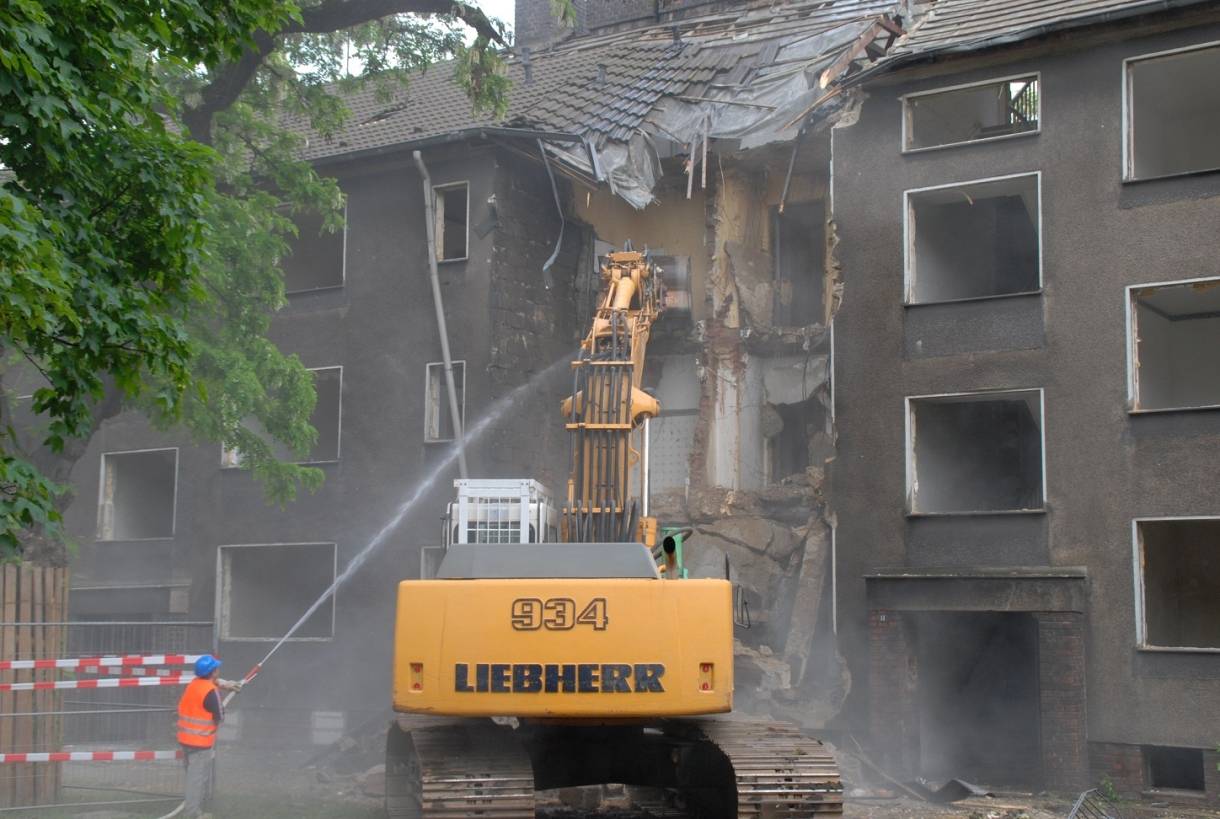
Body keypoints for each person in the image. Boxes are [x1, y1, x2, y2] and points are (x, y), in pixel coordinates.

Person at [176, 655, 241, 818]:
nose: (218, 670)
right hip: (200, 743)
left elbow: (211, 683)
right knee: (196, 782)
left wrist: (228, 685)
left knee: (193, 779)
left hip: (186, 741)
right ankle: (192, 815)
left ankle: (194, 811)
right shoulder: (211, 692)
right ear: (213, 672)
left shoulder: (194, 684)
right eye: (216, 668)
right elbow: (220, 716)